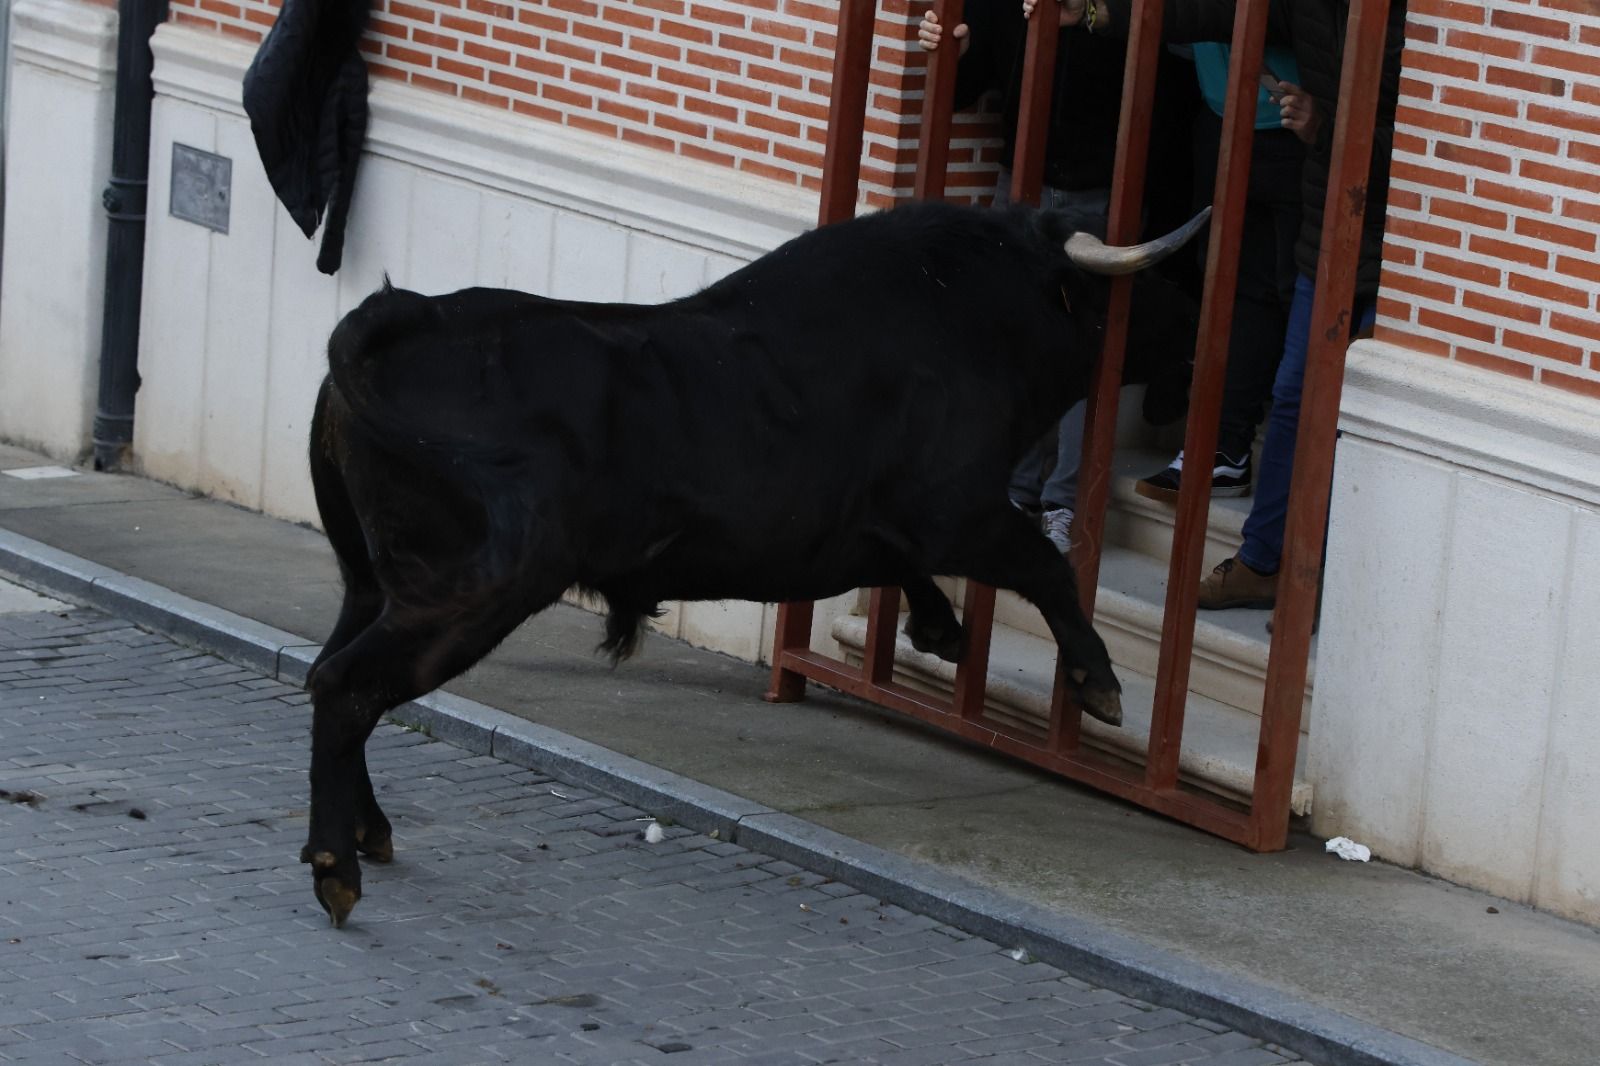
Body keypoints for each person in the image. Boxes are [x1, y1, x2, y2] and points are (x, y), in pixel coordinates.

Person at [1032, 0, 1407, 610]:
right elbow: (1208, 13)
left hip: (1419, 259)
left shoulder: (1431, 28)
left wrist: (1326, 126)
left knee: (1358, 419)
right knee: (1295, 398)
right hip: (1333, 238)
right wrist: (1101, 14)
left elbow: (1439, 154)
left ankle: (1335, 592)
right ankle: (1263, 562)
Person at [917, 3, 1198, 555]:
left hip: (1101, 194)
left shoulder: (1118, 10)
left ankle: (1063, 503)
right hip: (1018, 184)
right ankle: (1017, 492)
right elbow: (965, 90)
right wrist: (952, 52)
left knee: (1082, 349)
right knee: (1013, 344)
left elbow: (1159, 88)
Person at [1133, 41, 1306, 505]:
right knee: (1237, 291)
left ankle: (1299, 477)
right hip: (1222, 119)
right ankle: (1225, 449)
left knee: (1299, 298)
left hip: (1300, 128)